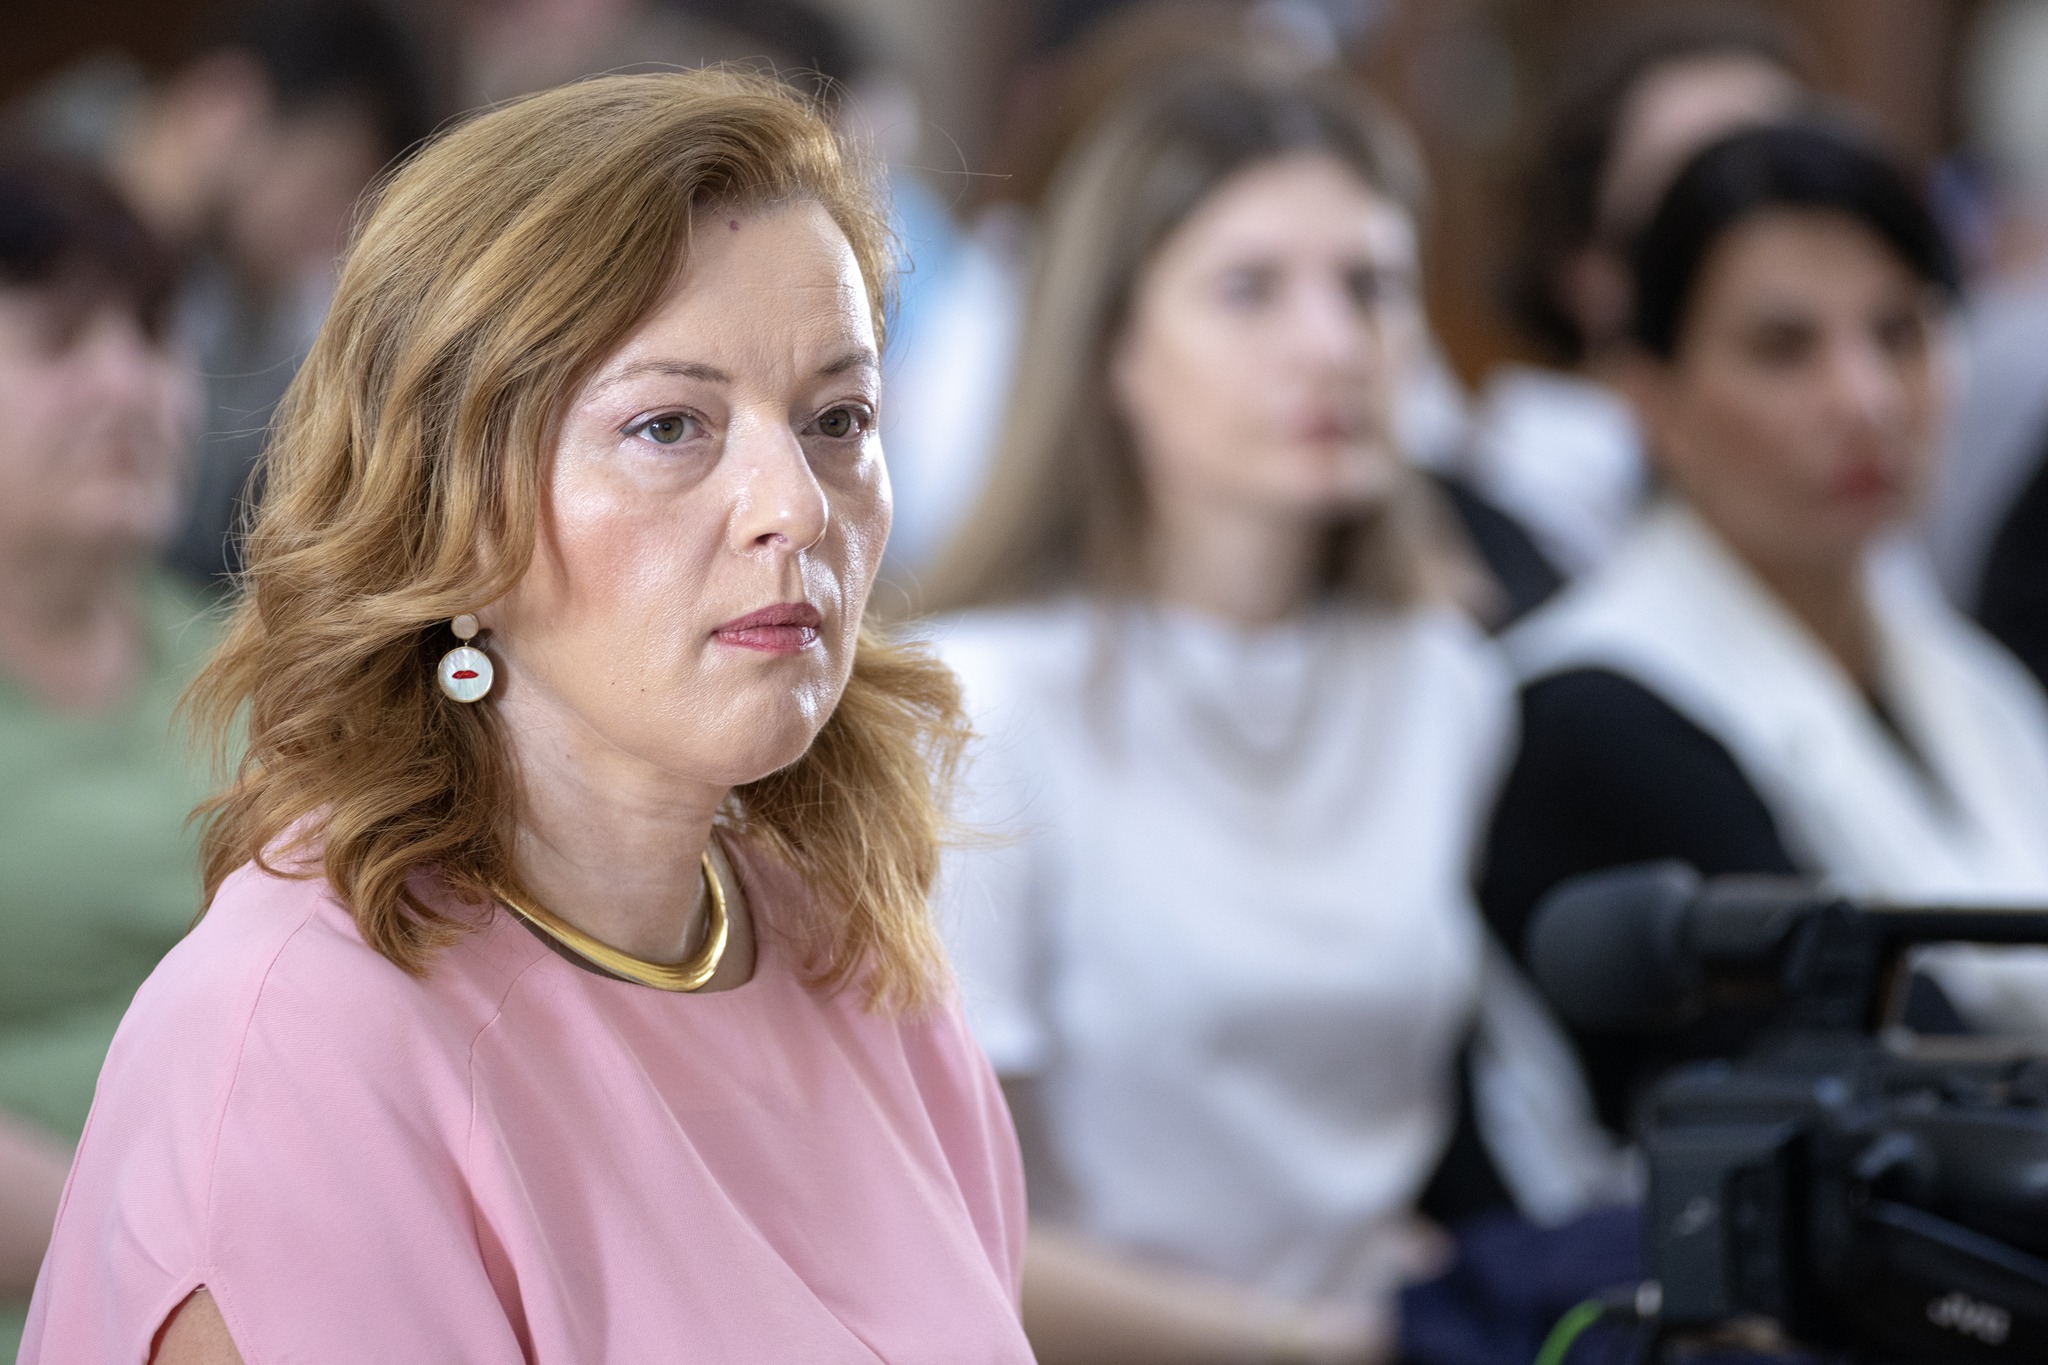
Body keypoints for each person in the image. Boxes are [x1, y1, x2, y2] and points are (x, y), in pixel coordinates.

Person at [22, 71, 1031, 1363]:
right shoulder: (300, 1044)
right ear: (451, 509)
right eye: (669, 426)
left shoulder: (852, 951)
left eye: (840, 418)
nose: (796, 505)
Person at [922, 65, 1627, 1365]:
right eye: (1250, 290)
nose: (1332, 345)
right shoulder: (979, 705)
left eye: (1369, 287)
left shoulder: (1443, 683)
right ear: (1111, 344)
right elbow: (935, 1230)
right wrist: (1307, 1343)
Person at [1482, 121, 2048, 1138]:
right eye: (1783, 349)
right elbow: (1897, 1085)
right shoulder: (1591, 709)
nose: (1864, 399)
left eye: (1899, 334)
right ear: (1650, 397)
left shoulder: (1970, 682)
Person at [0, 149, 211, 1355]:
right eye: (62, 341)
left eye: (152, 333)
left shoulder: (259, 662)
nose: (130, 385)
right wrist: (175, 1270)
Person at [17, 0, 435, 586]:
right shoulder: (27, 203)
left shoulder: (252, 300)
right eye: (329, 184)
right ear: (227, 107)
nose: (336, 237)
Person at [1480, 7, 1806, 578]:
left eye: (1796, 196)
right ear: (1582, 265)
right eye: (1690, 217)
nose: (1763, 264)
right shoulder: (1508, 526)